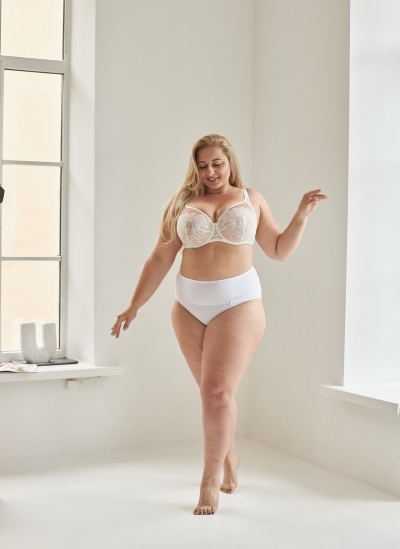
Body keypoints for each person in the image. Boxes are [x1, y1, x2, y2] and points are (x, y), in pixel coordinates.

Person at [111, 134, 327, 516]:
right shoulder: (180, 204)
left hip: (238, 304)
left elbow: (278, 250)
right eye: (202, 165)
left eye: (217, 163)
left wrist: (301, 216)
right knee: (214, 395)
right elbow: (159, 259)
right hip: (188, 308)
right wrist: (134, 306)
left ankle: (209, 482)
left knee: (215, 393)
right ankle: (229, 458)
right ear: (194, 167)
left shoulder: (251, 199)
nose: (210, 171)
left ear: (230, 163)